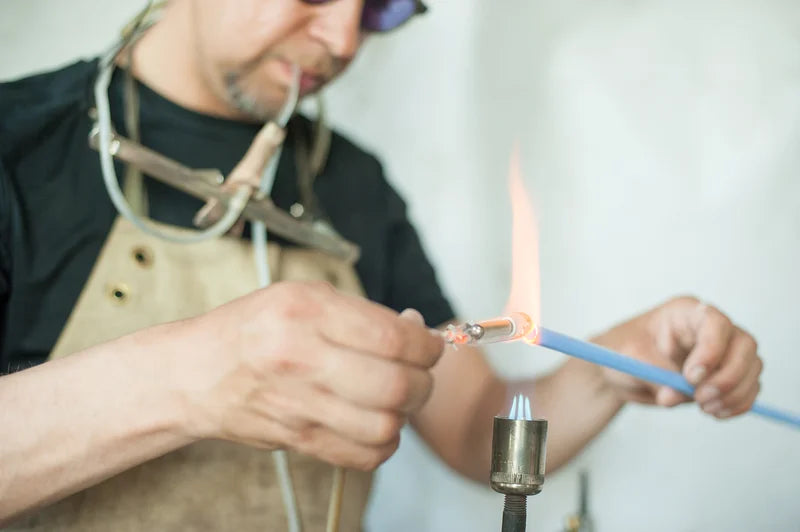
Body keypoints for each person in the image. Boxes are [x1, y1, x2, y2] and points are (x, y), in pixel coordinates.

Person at [0, 0, 763, 529]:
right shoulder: (18, 148)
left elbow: (471, 428)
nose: (340, 40)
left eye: (380, 9)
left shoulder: (350, 183)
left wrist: (606, 366)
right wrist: (193, 375)